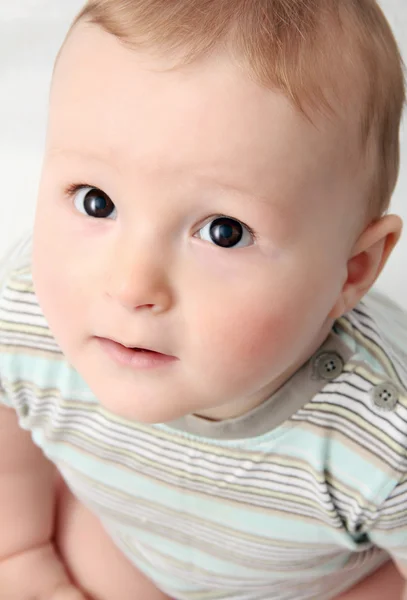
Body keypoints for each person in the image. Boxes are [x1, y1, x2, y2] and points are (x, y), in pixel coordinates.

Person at [1, 0, 407, 598]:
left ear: (351, 269)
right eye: (96, 201)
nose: (132, 286)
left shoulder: (383, 438)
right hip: (127, 544)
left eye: (225, 232)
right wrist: (22, 556)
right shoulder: (31, 319)